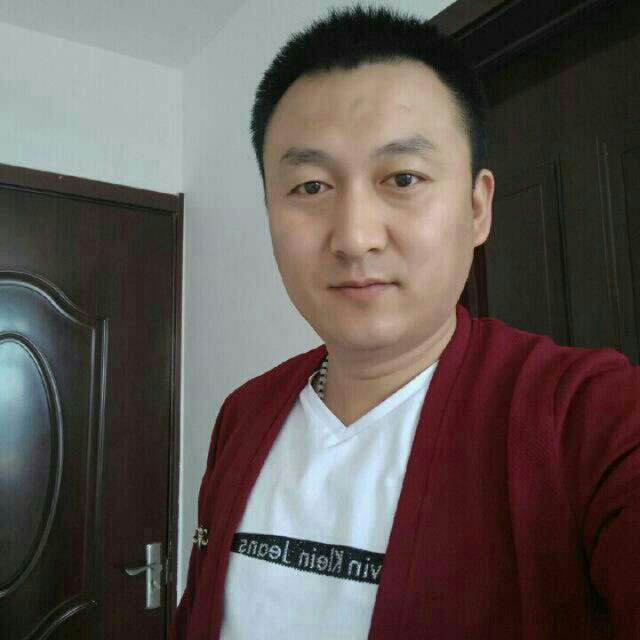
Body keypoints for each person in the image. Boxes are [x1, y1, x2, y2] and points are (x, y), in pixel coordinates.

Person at [170, 5, 640, 639]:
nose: (354, 237)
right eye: (311, 187)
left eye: (403, 177)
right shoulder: (242, 416)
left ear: (477, 208)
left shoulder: (588, 418)